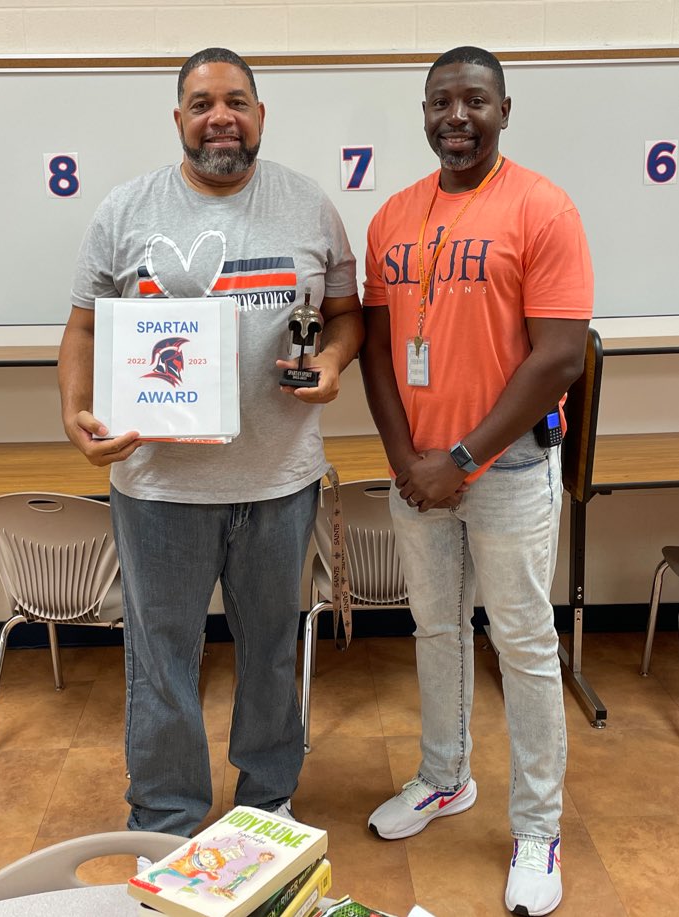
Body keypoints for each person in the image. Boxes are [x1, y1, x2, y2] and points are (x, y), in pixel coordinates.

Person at [58, 47, 363, 838]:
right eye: (200, 103)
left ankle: (267, 803)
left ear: (260, 114)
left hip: (279, 479)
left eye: (234, 100)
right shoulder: (125, 210)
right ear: (179, 119)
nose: (218, 115)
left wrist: (330, 361)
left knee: (268, 650)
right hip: (160, 489)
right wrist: (74, 415)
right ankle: (166, 814)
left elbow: (345, 312)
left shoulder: (308, 205)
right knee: (160, 658)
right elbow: (84, 327)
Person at [359, 46, 593, 916]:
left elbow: (559, 356)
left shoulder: (542, 207)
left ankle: (538, 827)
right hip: (417, 475)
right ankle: (442, 777)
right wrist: (406, 462)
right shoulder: (392, 216)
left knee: (525, 647)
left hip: (506, 471)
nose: (454, 117)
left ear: (503, 110)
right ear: (423, 113)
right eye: (438, 103)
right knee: (436, 631)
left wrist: (458, 461)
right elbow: (379, 351)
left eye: (473, 102)